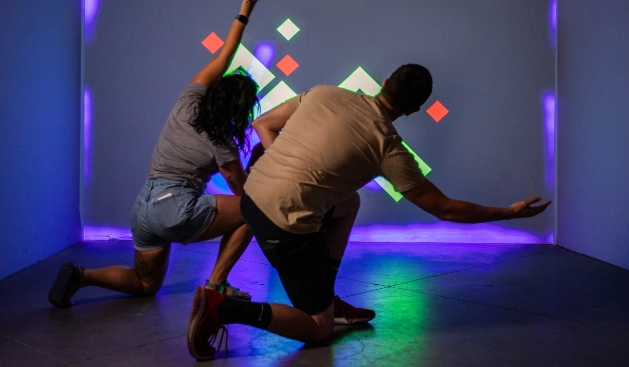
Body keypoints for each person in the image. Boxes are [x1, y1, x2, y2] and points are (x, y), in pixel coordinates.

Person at [186, 64, 552, 360]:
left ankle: (324, 292)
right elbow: (446, 210)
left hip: (251, 196)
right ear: (414, 109)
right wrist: (508, 213)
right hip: (284, 224)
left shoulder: (324, 92)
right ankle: (224, 309)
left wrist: (281, 167)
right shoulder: (388, 147)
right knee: (318, 328)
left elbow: (261, 123)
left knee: (349, 204)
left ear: (386, 81)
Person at [48, 0, 267, 308]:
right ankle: (217, 284)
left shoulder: (188, 102)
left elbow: (223, 57)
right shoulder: (223, 141)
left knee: (145, 284)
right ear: (239, 112)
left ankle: (81, 277)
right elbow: (243, 192)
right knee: (252, 211)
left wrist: (245, 10)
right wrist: (258, 160)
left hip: (144, 207)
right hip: (174, 208)